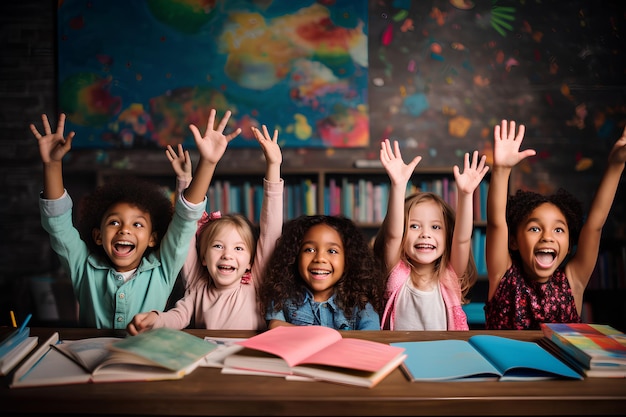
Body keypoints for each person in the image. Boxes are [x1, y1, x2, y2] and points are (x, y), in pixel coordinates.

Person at [32, 110, 241, 329]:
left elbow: (186, 218)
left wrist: (207, 163)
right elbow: (58, 225)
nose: (124, 230)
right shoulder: (82, 266)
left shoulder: (163, 267)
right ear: (97, 235)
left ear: (152, 238)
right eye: (114, 222)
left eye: (137, 224)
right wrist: (52, 164)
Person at [127, 124, 283, 333]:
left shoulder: (256, 283)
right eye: (218, 246)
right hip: (210, 362)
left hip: (246, 362)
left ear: (249, 263)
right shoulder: (198, 286)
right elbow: (185, 230)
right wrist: (155, 320)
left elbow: (271, 230)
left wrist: (273, 166)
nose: (227, 255)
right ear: (202, 258)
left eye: (238, 249)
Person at [484, 120, 626, 330]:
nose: (547, 237)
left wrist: (616, 165)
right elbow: (496, 223)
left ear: (569, 245)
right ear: (513, 241)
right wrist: (501, 170)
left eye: (558, 229)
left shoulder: (573, 281)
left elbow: (595, 224)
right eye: (535, 228)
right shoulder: (502, 275)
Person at [373, 139, 489, 330]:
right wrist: (398, 186)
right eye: (414, 226)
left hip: (442, 357)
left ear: (447, 236)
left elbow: (462, 240)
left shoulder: (449, 278)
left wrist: (466, 195)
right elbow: (393, 235)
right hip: (403, 356)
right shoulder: (397, 275)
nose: (425, 234)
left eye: (435, 227)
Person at [259, 214, 384, 330]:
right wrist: (318, 336)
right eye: (310, 249)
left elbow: (371, 336)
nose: (320, 258)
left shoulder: (360, 304)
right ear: (295, 256)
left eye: (332, 251)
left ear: (348, 260)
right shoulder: (283, 295)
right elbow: (276, 326)